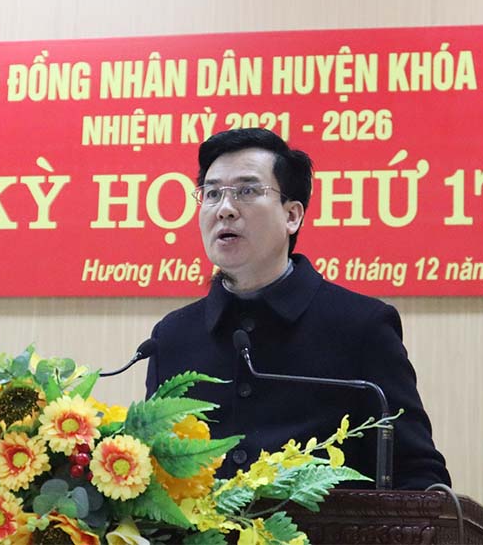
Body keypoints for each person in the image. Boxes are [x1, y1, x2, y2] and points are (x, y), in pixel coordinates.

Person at [145, 128, 450, 490]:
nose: (225, 209)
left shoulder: (360, 327)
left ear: (292, 215)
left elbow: (418, 477)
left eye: (247, 191)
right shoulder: (172, 338)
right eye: (212, 194)